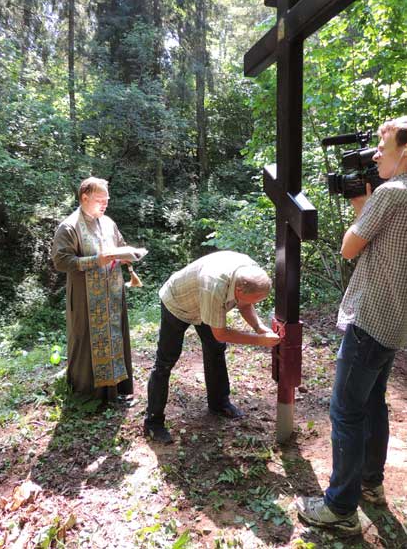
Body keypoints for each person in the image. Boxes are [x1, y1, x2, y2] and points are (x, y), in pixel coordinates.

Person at [297, 116, 407, 536]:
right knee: (373, 405)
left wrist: (363, 204)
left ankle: (340, 507)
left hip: (371, 317)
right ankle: (371, 485)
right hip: (396, 321)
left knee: (344, 411)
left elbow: (349, 248)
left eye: (385, 146)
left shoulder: (392, 194)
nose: (377, 153)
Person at [143, 250, 281, 443]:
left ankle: (219, 403)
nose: (255, 304)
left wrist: (258, 327)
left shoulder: (249, 272)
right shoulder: (215, 286)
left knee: (216, 349)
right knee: (166, 360)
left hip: (205, 304)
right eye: (254, 300)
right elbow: (221, 332)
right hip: (178, 304)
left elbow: (244, 304)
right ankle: (153, 422)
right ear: (239, 290)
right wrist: (259, 341)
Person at [52, 177, 142, 402]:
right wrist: (95, 260)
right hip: (86, 298)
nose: (104, 204)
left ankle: (118, 390)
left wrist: (126, 256)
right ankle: (88, 396)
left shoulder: (109, 222)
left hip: (112, 293)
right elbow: (61, 262)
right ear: (84, 198)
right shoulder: (69, 226)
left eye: (107, 200)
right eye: (100, 200)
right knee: (86, 342)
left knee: (116, 337)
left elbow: (120, 246)